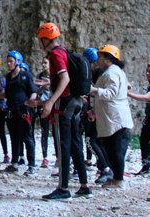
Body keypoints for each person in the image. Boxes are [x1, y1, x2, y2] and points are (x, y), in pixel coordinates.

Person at [35, 22, 91, 200]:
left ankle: (63, 188)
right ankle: (84, 186)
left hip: (63, 103)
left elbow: (65, 78)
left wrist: (51, 101)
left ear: (45, 39)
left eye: (41, 40)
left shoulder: (55, 53)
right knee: (75, 143)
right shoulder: (65, 50)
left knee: (63, 145)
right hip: (74, 101)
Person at [0, 52, 37, 174]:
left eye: (11, 61)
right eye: (7, 61)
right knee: (14, 138)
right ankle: (14, 164)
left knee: (27, 138)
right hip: (12, 111)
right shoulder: (8, 77)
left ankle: (31, 166)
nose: (8, 63)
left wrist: (30, 102)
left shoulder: (26, 76)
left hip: (23, 111)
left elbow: (33, 91)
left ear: (18, 62)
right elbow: (7, 94)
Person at [89, 45, 133, 188]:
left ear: (108, 58)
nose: (98, 60)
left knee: (115, 150)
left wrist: (94, 90)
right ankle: (116, 178)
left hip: (114, 118)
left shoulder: (111, 73)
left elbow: (111, 93)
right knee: (112, 149)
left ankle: (118, 180)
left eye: (100, 56)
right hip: (113, 117)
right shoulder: (114, 72)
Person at [83, 47, 112, 184]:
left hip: (94, 112)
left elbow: (95, 93)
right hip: (97, 111)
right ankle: (105, 167)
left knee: (91, 140)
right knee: (98, 141)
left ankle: (105, 168)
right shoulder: (101, 73)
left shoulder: (96, 74)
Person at [34, 57, 52, 168]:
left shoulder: (56, 75)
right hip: (43, 106)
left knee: (56, 132)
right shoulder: (40, 76)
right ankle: (45, 157)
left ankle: (59, 157)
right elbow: (36, 91)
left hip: (54, 105)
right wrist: (42, 87)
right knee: (44, 131)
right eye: (42, 63)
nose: (43, 65)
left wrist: (49, 85)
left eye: (45, 63)